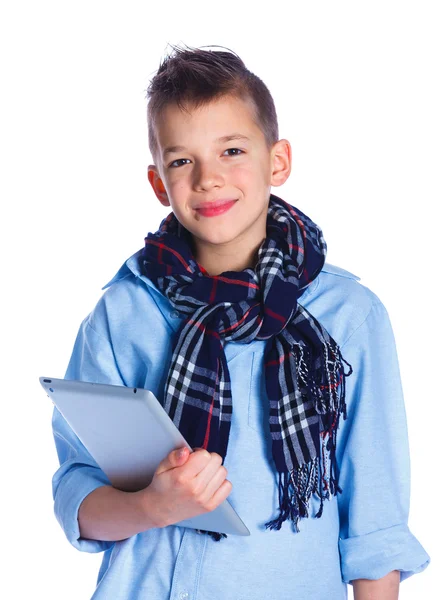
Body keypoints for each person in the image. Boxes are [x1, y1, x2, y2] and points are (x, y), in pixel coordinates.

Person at [51, 45, 430, 599]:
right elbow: (77, 494)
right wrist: (153, 506)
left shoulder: (348, 316)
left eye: (231, 150)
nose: (208, 178)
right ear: (159, 182)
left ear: (277, 161)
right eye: (182, 161)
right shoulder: (123, 313)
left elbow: (374, 524)